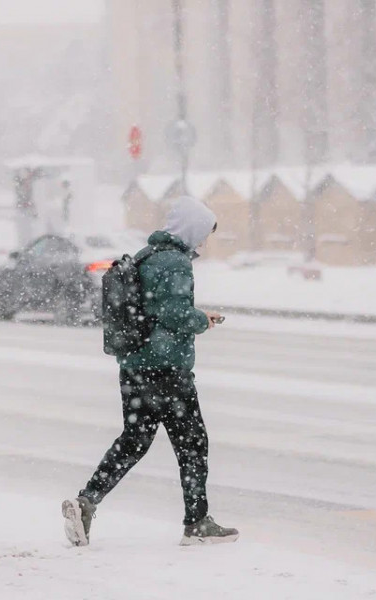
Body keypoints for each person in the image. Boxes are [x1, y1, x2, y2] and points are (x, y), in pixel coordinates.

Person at [62, 196, 239, 547]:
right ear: (190, 230)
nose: (203, 242)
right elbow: (173, 314)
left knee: (134, 441)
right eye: (202, 234)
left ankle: (87, 501)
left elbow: (152, 309)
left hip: (135, 367)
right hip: (166, 368)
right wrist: (202, 319)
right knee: (192, 444)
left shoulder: (147, 256)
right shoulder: (176, 262)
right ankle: (197, 523)